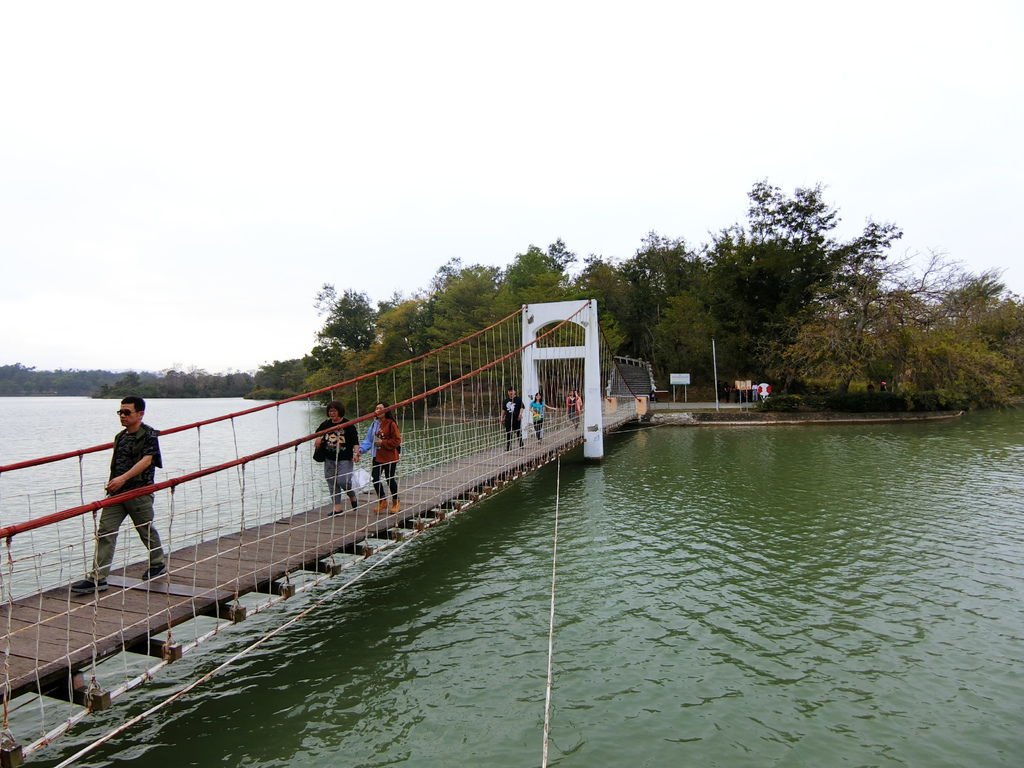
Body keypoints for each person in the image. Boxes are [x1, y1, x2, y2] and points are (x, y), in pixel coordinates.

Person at [72, 396, 166, 594]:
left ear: (140, 414)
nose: (122, 416)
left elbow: (147, 460)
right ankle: (98, 577)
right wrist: (114, 483)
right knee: (105, 531)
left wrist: (122, 479)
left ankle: (157, 563)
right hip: (117, 494)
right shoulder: (120, 436)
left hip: (139, 492)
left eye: (127, 412)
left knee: (145, 529)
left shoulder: (149, 435)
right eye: (120, 412)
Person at [315, 400, 360, 514]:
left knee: (342, 481)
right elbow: (317, 434)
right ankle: (337, 508)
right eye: (330, 411)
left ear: (340, 411)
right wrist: (318, 439)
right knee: (331, 481)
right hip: (329, 457)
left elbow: (355, 442)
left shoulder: (348, 425)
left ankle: (352, 495)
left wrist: (356, 454)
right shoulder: (326, 424)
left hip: (345, 458)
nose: (332, 413)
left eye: (334, 411)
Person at [359, 402, 402, 514]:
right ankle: (382, 500)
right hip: (377, 456)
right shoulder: (374, 424)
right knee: (375, 478)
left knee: (389, 478)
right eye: (376, 408)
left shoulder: (391, 424)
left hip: (389, 456)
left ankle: (396, 501)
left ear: (386, 410)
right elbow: (369, 440)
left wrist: (383, 443)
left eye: (380, 408)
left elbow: (397, 440)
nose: (378, 410)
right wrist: (360, 450)